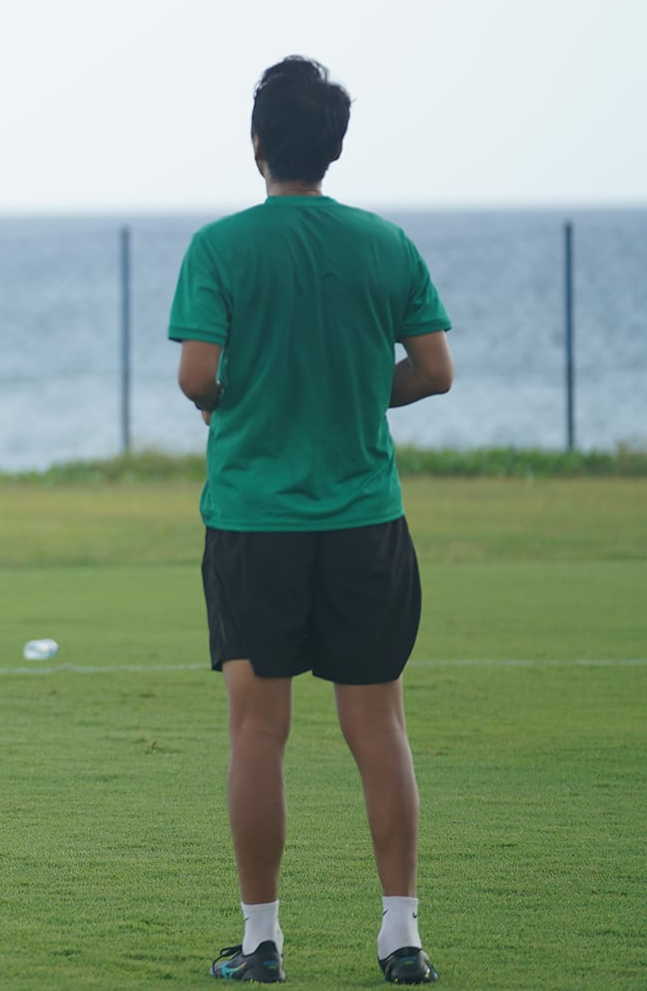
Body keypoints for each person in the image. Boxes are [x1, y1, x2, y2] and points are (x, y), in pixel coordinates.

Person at [168, 58, 452, 984]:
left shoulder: (220, 247)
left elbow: (198, 378)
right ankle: (401, 936)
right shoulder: (386, 243)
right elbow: (435, 369)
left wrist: (245, 405)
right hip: (366, 517)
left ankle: (261, 942)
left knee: (258, 730)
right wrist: (362, 392)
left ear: (258, 145)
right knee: (380, 726)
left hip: (255, 521)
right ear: (333, 146)